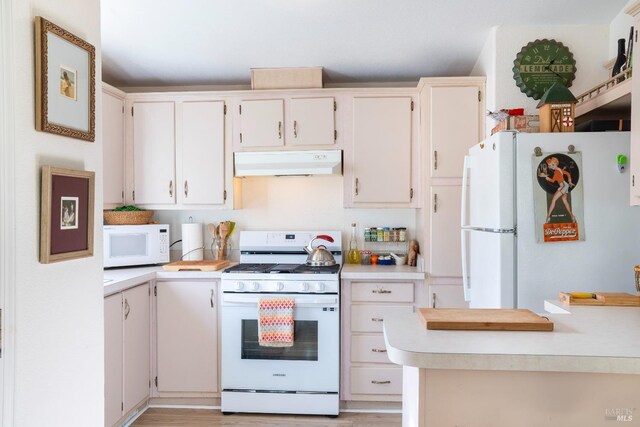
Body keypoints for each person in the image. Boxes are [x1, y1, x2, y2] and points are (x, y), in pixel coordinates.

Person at [538, 157, 577, 223]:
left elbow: (553, 181)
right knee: (564, 200)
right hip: (565, 185)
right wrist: (569, 181)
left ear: (556, 164)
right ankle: (572, 216)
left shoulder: (556, 172)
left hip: (563, 186)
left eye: (553, 165)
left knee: (553, 200)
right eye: (550, 165)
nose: (551, 166)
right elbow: (568, 174)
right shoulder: (560, 169)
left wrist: (547, 178)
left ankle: (548, 217)